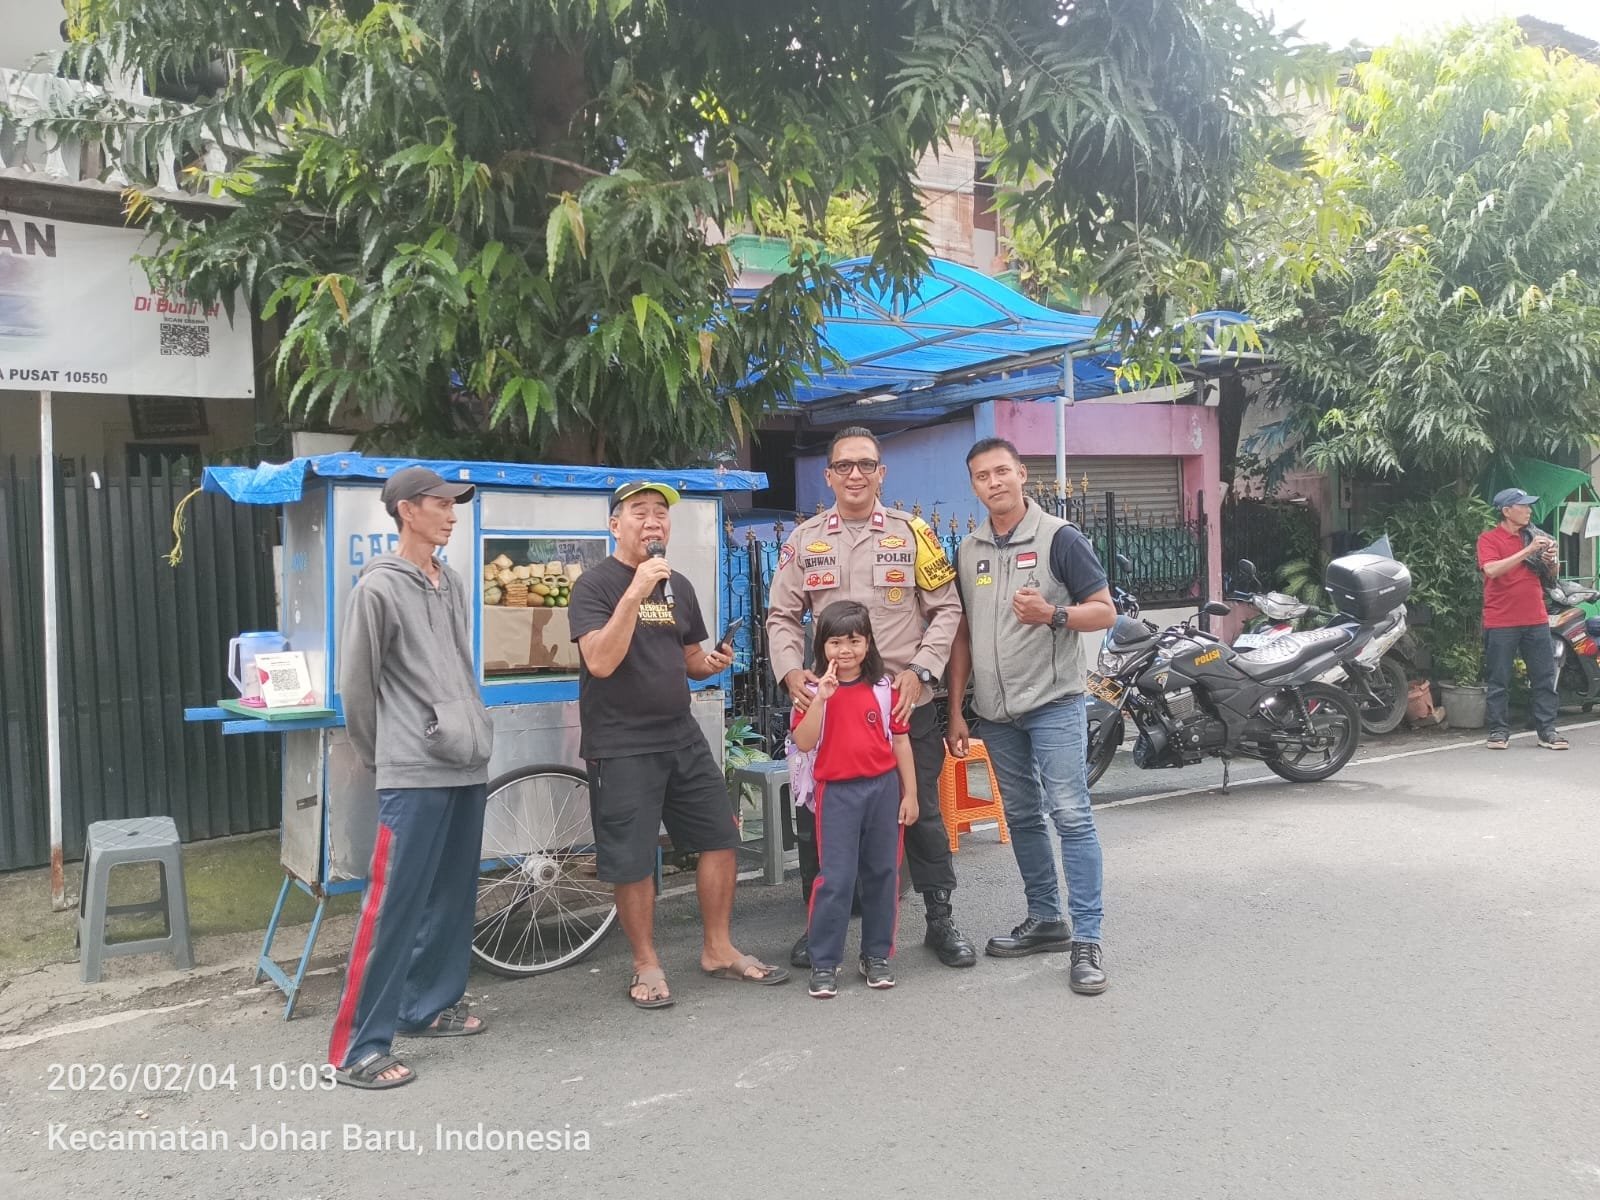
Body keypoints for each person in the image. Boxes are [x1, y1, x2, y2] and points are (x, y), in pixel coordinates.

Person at [570, 479, 790, 1009]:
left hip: (680, 733)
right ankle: (645, 963)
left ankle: (718, 948)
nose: (653, 521)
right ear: (615, 524)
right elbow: (600, 660)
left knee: (720, 836)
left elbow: (689, 657)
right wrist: (635, 591)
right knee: (632, 858)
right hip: (621, 741)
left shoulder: (678, 585)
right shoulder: (595, 586)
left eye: (660, 513)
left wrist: (709, 663)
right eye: (639, 512)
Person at [767, 427, 977, 970]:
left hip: (903, 702)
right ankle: (821, 926)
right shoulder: (803, 540)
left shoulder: (915, 534)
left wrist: (922, 673)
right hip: (830, 706)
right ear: (829, 475)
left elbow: (947, 609)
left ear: (882, 473)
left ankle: (940, 918)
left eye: (866, 464)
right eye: (844, 465)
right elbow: (782, 616)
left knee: (920, 811)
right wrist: (791, 673)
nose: (855, 474)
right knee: (819, 814)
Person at [328, 465, 493, 1090]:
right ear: (406, 510)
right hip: (412, 769)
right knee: (392, 906)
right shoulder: (377, 589)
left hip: (465, 760)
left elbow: (459, 668)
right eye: (439, 504)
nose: (451, 514)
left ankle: (426, 1006)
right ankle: (358, 1048)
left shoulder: (451, 581)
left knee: (452, 893)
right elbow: (357, 687)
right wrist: (386, 755)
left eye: (454, 505)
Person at [944, 439, 1117, 995]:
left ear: (1022, 473)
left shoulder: (1060, 538)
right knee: (1021, 816)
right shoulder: (968, 549)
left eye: (1002, 471)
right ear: (973, 485)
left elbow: (1104, 611)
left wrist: (1053, 614)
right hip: (995, 714)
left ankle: (1087, 938)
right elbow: (962, 634)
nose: (993, 482)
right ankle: (1046, 919)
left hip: (1053, 703)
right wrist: (957, 709)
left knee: (1071, 815)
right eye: (981, 476)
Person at [789, 601, 919, 998]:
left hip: (883, 790)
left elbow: (900, 742)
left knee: (883, 873)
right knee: (836, 878)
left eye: (854, 641)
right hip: (837, 794)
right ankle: (824, 960)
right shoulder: (811, 692)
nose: (845, 650)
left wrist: (911, 794)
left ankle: (876, 955)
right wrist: (822, 699)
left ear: (868, 644)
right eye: (835, 642)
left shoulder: (884, 688)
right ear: (821, 646)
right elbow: (804, 741)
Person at [1478, 487, 1566, 751]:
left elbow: (1551, 576)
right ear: (1507, 511)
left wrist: (1551, 560)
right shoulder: (1489, 539)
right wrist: (1528, 550)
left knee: (1544, 677)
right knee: (1499, 679)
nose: (1529, 511)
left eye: (1529, 506)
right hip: (1501, 619)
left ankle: (1547, 731)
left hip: (1535, 617)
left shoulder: (1535, 536)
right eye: (1523, 506)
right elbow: (1492, 570)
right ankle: (1498, 731)